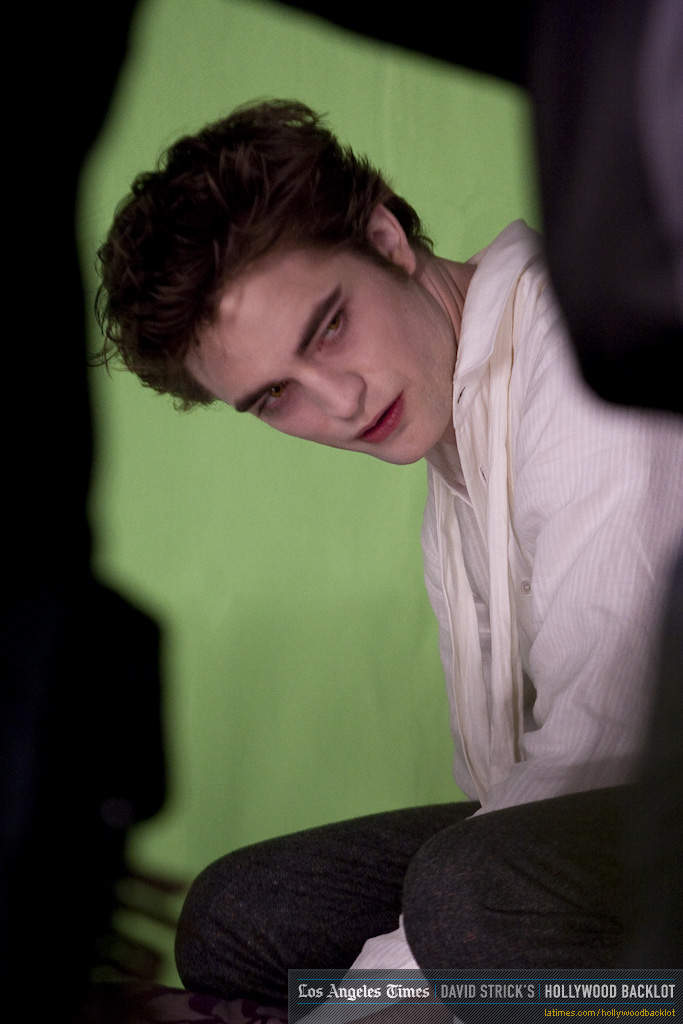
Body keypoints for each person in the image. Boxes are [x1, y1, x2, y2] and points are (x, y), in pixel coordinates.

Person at [95, 99, 683, 1002]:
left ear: (384, 237)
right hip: (584, 844)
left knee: (468, 900)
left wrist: (370, 997)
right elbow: (505, 790)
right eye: (274, 396)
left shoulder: (573, 351)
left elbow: (599, 746)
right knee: (238, 916)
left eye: (329, 326)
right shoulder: (454, 418)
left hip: (646, 805)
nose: (337, 403)